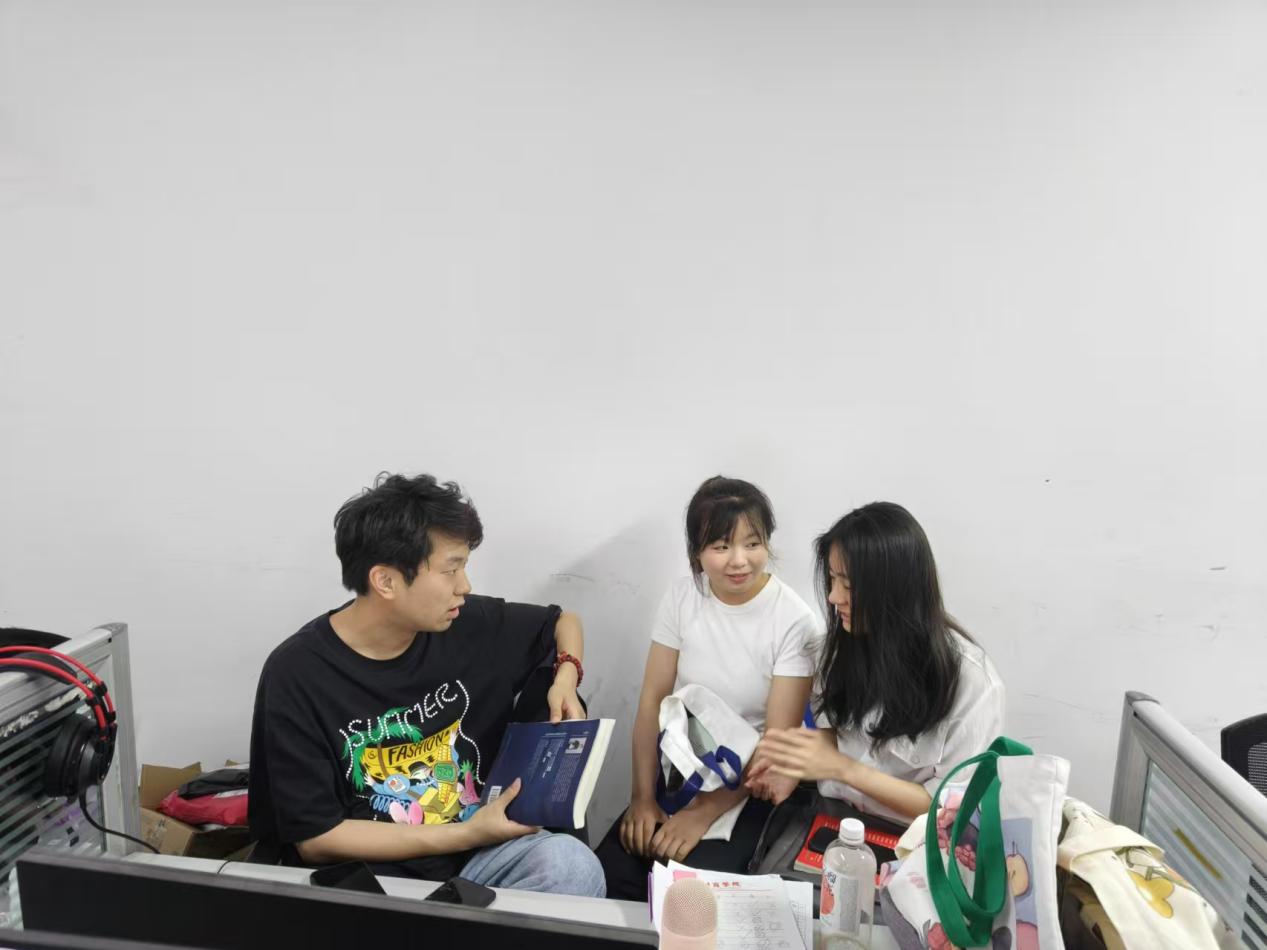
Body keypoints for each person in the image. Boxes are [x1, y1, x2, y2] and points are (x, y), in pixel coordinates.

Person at [247, 473, 605, 896]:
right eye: (451, 569)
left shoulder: (465, 624)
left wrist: (566, 675)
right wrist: (469, 832)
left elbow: (562, 622)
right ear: (386, 581)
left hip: (477, 859)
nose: (465, 586)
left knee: (572, 866)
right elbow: (317, 839)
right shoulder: (298, 674)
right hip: (375, 879)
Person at [595, 476, 819, 899]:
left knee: (689, 898)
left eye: (753, 544)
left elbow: (777, 744)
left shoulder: (794, 620)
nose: (739, 561)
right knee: (607, 877)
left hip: (751, 784)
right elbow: (652, 701)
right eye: (720, 546)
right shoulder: (683, 597)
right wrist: (641, 798)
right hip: (681, 771)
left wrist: (703, 814)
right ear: (696, 552)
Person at [747, 502, 1005, 824]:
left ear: (896, 590)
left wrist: (842, 768)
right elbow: (838, 736)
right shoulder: (837, 649)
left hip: (909, 839)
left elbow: (949, 810)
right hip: (833, 817)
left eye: (849, 586)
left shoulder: (971, 684)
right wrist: (796, 761)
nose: (833, 597)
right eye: (832, 579)